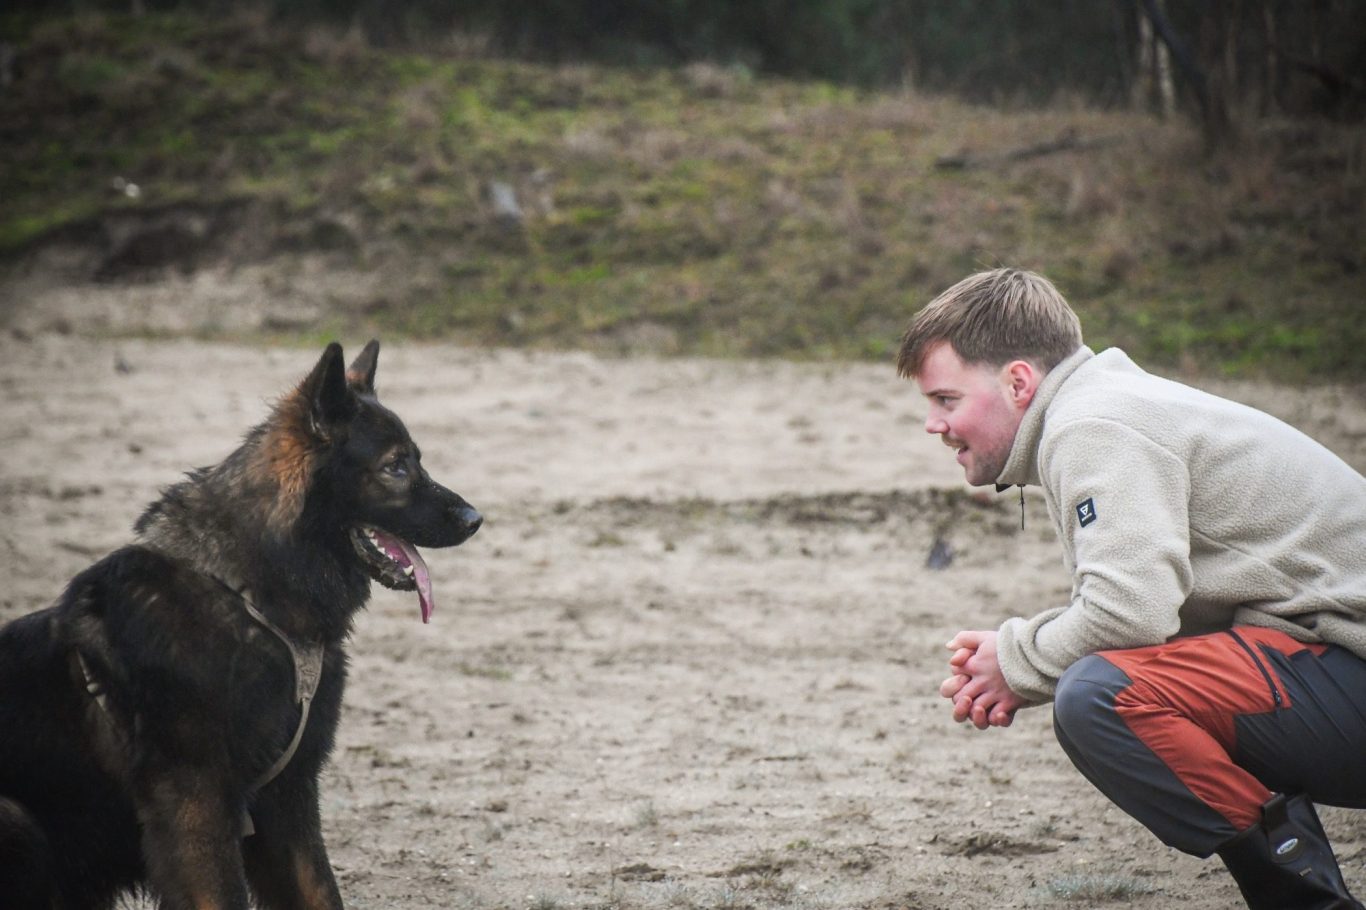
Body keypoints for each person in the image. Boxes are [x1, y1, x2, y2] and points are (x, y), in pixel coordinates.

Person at [897, 267, 1366, 909]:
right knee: (1120, 678)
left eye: (946, 399)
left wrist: (1016, 661)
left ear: (1017, 382)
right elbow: (1154, 621)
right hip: (1329, 663)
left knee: (1099, 696)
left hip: (1348, 665)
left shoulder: (1093, 425)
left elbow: (1129, 614)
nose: (932, 423)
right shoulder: (1109, 405)